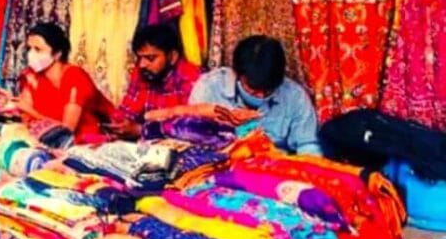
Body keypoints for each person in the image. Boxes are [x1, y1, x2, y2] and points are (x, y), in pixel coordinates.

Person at [190, 35, 321, 155]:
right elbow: (191, 138)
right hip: (221, 168)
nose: (261, 96)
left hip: (275, 170)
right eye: (253, 90)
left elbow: (308, 144)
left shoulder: (294, 96)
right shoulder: (209, 88)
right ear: (237, 74)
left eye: (268, 91)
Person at [18, 23, 110, 141]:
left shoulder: (75, 78)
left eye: (38, 49)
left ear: (57, 54)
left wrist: (29, 111)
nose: (31, 54)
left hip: (83, 143)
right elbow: (28, 120)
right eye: (29, 48)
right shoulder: (31, 75)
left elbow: (66, 131)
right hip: (44, 138)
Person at [106, 24, 201, 139]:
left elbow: (189, 129)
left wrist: (140, 130)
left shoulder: (192, 78)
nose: (142, 64)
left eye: (150, 58)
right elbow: (127, 112)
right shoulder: (141, 73)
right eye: (139, 58)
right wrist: (118, 125)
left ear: (173, 57)